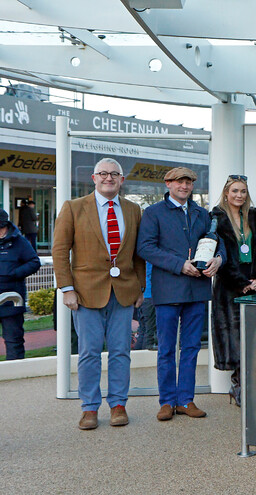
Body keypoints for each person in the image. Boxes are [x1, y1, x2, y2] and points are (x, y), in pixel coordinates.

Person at [52, 158, 145, 430]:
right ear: (93, 178)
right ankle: (89, 408)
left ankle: (118, 405)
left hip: (124, 292)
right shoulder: (73, 208)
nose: (108, 178)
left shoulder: (133, 210)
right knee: (89, 353)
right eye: (103, 174)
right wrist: (66, 289)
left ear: (121, 180)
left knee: (120, 352)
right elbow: (59, 251)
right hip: (85, 293)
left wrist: (139, 286)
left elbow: (139, 254)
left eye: (114, 174)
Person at [137, 166, 224, 422]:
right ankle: (166, 401)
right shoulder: (153, 213)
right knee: (165, 348)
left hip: (197, 290)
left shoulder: (202, 214)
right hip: (168, 290)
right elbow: (145, 248)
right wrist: (179, 264)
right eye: (179, 182)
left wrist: (218, 260)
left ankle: (186, 399)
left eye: (188, 183)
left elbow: (219, 244)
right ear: (168, 184)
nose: (184, 186)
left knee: (191, 347)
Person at [211, 175, 256, 406]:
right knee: (234, 336)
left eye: (243, 191)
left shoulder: (255, 216)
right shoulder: (216, 217)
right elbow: (216, 253)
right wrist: (240, 282)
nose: (239, 195)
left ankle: (249, 385)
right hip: (228, 286)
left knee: (253, 336)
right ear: (226, 193)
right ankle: (238, 386)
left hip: (253, 284)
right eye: (235, 191)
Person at [0, 209, 40, 360]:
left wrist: (14, 274)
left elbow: (34, 262)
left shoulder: (19, 241)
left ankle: (16, 375)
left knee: (14, 341)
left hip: (12, 300)